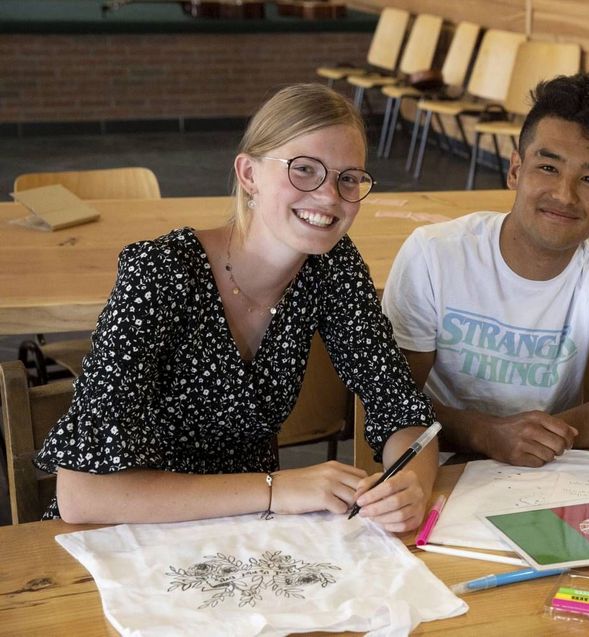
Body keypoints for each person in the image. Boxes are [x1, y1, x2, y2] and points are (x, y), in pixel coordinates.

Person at [34, 84, 438, 531]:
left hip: (252, 535)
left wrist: (410, 486)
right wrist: (277, 488)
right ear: (249, 175)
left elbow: (402, 411)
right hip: (132, 535)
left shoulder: (332, 265)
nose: (329, 197)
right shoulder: (162, 272)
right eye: (304, 170)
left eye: (348, 178)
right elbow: (82, 494)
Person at [382, 72, 589, 468]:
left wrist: (528, 438)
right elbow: (392, 399)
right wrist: (488, 434)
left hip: (542, 474)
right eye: (548, 168)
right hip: (436, 466)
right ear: (515, 170)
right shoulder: (434, 254)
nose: (564, 195)